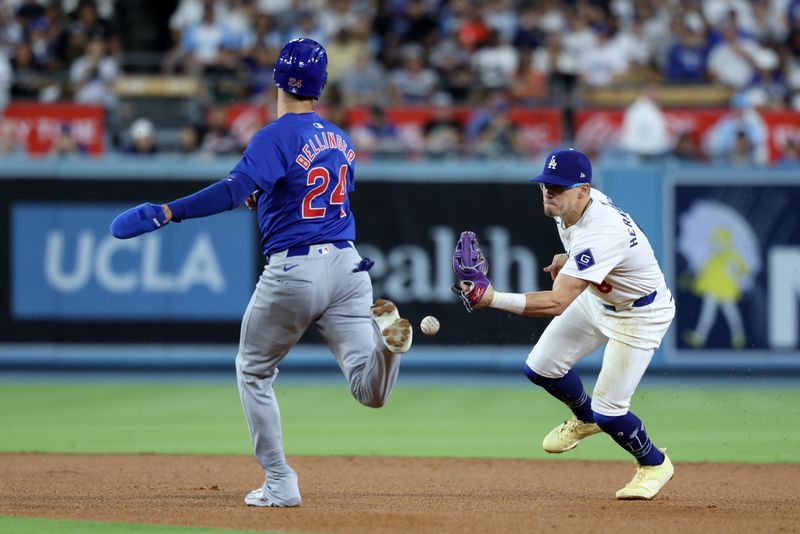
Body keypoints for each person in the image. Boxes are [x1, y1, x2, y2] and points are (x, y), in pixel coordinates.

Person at [108, 38, 413, 507]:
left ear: (276, 79)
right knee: (368, 391)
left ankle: (279, 481)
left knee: (253, 371)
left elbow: (233, 191)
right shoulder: (341, 140)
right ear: (321, 85)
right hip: (350, 267)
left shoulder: (274, 136)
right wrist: (267, 195)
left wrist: (170, 211)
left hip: (295, 269)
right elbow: (316, 191)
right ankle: (389, 347)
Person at [454, 149, 676, 500]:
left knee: (611, 412)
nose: (549, 192)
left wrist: (492, 298)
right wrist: (573, 259)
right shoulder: (572, 209)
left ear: (583, 190)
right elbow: (594, 250)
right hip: (600, 299)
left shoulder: (602, 232)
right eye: (545, 184)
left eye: (558, 187)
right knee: (541, 368)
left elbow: (558, 302)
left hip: (639, 314)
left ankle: (653, 463)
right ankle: (584, 419)